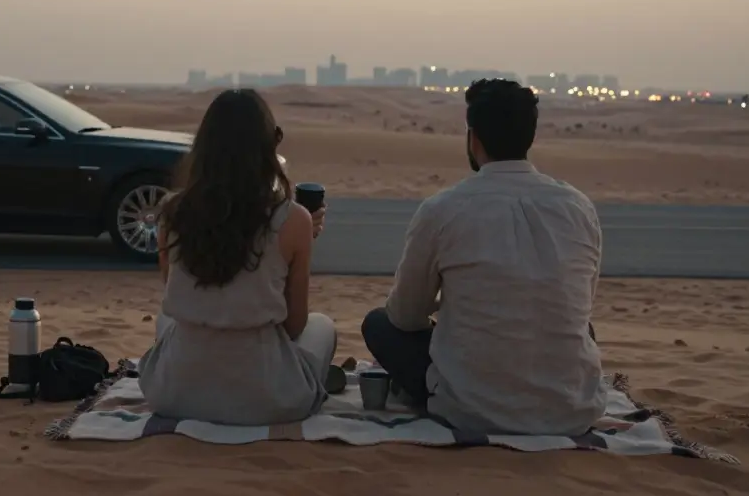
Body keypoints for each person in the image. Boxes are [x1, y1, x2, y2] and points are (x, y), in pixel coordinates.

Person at [361, 78, 606, 436]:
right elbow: (580, 303)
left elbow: (406, 316)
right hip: (571, 410)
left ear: (473, 138)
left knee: (378, 324)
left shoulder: (443, 209)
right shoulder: (579, 207)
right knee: (581, 328)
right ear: (529, 137)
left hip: (472, 410)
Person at [137, 88, 335, 426]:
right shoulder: (294, 219)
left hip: (175, 395)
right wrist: (300, 241)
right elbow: (294, 324)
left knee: (166, 321)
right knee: (322, 327)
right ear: (268, 147)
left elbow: (176, 292)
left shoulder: (173, 212)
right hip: (264, 399)